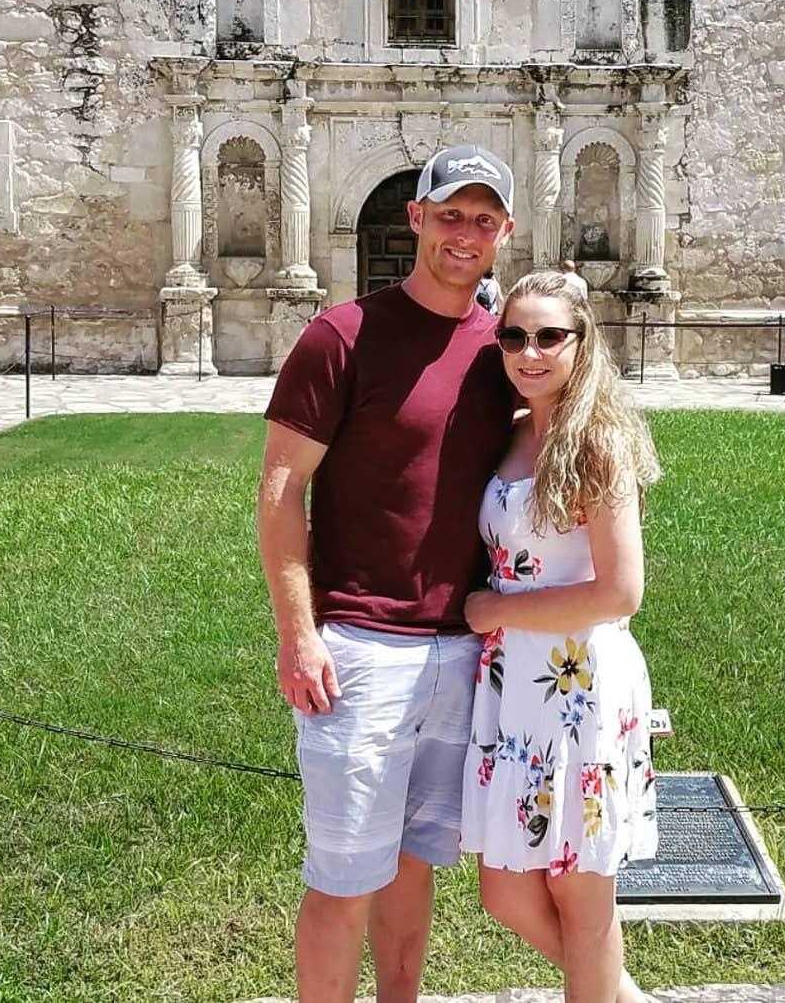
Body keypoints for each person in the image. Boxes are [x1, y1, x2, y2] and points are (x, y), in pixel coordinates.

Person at [257, 143, 516, 1003]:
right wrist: (300, 636)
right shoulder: (343, 335)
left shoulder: (503, 352)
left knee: (414, 866)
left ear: (504, 231)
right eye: (449, 215)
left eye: (483, 219)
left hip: (462, 651)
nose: (464, 234)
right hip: (360, 650)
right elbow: (280, 491)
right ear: (416, 218)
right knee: (343, 877)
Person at [460, 271, 660, 1003]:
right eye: (514, 335)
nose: (530, 351)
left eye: (549, 336)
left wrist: (497, 610)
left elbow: (619, 591)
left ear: (582, 342)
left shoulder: (597, 442)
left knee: (581, 893)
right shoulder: (514, 434)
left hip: (581, 682)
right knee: (506, 890)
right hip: (516, 687)